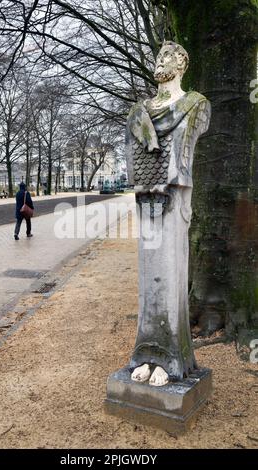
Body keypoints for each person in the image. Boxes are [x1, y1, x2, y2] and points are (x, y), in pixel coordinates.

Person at [126, 41, 211, 386]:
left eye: (168, 56)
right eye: (159, 56)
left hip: (174, 199)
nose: (160, 60)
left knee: (171, 275)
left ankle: (171, 356)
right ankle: (146, 352)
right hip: (147, 195)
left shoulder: (196, 105)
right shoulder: (139, 111)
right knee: (149, 281)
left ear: (182, 64)